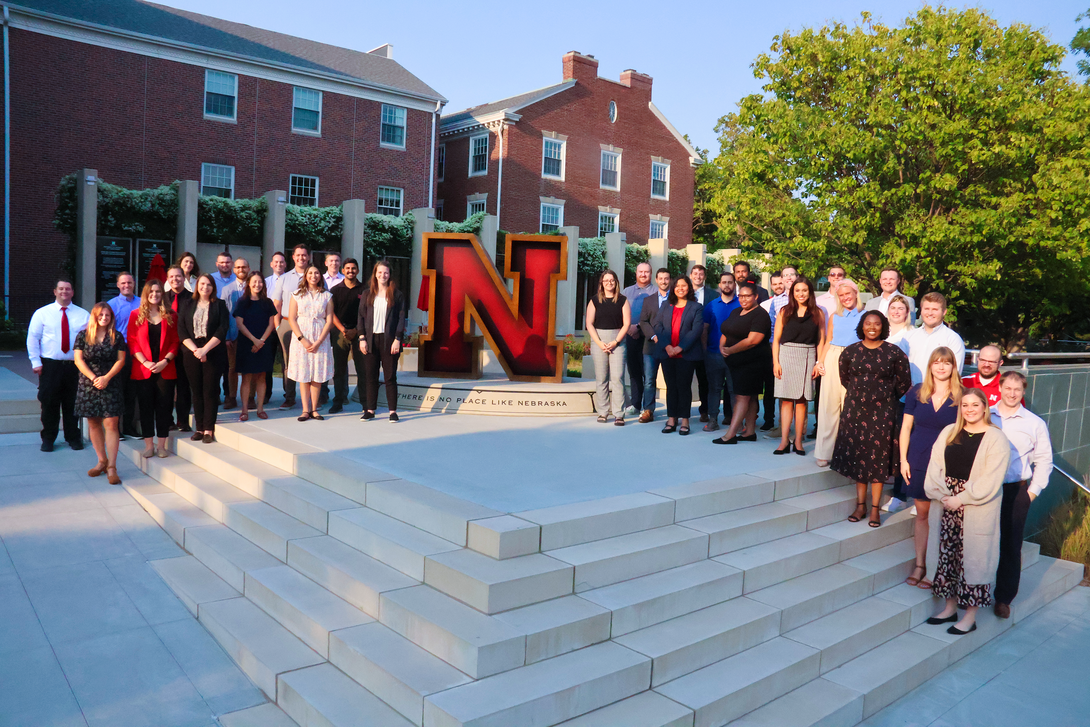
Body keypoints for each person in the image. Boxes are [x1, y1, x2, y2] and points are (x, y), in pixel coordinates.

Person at [924, 388, 1010, 635]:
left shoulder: (996, 438)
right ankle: (949, 608)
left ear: (984, 407)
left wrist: (961, 498)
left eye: (975, 405)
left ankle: (969, 617)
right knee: (946, 557)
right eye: (965, 405)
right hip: (945, 503)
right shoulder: (948, 432)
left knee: (973, 561)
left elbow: (991, 480)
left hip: (974, 507)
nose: (969, 410)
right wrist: (942, 496)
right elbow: (935, 467)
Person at [831, 311, 912, 528]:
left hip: (883, 412)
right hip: (855, 411)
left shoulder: (894, 352)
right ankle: (860, 505)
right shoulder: (851, 351)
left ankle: (875, 508)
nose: (872, 327)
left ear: (883, 326)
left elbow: (904, 381)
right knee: (859, 458)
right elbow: (844, 377)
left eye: (877, 324)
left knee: (876, 460)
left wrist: (884, 396)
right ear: (862, 326)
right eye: (868, 323)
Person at [990, 371, 1053, 619]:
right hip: (986, 489)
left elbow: (1045, 461)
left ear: (1023, 392)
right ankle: (976, 591)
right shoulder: (987, 415)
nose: (1012, 393)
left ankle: (1004, 598)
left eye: (1017, 389)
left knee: (1010, 545)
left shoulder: (1035, 423)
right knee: (981, 542)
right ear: (1001, 387)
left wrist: (1032, 493)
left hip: (1016, 490)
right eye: (1008, 388)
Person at [900, 348, 962, 588]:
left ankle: (937, 569)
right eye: (937, 362)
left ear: (953, 366)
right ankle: (920, 564)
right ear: (931, 366)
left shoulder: (961, 395)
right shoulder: (917, 392)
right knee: (923, 515)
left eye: (946, 363)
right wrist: (904, 460)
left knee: (942, 518)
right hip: (918, 457)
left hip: (947, 463)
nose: (941, 367)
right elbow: (906, 428)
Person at [27, 279, 89, 451]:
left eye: (68, 289)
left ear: (73, 292)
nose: (64, 291)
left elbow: (90, 340)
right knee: (49, 403)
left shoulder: (83, 315)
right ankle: (48, 438)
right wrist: (35, 361)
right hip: (50, 366)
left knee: (73, 404)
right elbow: (33, 338)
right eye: (61, 289)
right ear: (55, 291)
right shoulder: (42, 313)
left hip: (74, 366)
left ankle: (73, 437)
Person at [73, 303, 126, 484]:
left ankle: (112, 466)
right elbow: (78, 360)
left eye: (108, 315)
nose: (104, 318)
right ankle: (101, 461)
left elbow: (120, 360)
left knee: (111, 423)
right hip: (89, 384)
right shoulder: (83, 336)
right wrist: (95, 378)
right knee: (94, 422)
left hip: (110, 383)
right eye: (101, 315)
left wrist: (106, 378)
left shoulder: (116, 336)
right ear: (95, 316)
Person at [772, 277, 825, 455]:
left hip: (808, 356)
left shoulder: (818, 313)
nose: (800, 294)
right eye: (797, 290)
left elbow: (822, 341)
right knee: (786, 400)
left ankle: (799, 442)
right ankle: (784, 441)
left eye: (804, 290)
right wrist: (776, 362)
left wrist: (819, 363)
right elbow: (776, 340)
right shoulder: (784, 311)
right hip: (786, 356)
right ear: (792, 293)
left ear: (810, 292)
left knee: (802, 401)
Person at [127, 279, 179, 460]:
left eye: (158, 292)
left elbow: (175, 342)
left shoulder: (171, 315)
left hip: (165, 369)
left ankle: (162, 446)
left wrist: (165, 361)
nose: (155, 295)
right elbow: (132, 342)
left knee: (164, 408)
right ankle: (149, 445)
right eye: (151, 292)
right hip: (144, 369)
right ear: (146, 295)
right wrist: (145, 362)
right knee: (146, 408)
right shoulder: (135, 315)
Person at [814, 279, 864, 466]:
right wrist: (820, 361)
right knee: (828, 405)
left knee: (851, 408)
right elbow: (828, 340)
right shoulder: (835, 316)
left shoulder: (866, 315)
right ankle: (824, 452)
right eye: (841, 295)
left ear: (855, 293)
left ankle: (850, 452)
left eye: (847, 294)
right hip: (834, 356)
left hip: (855, 359)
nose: (845, 298)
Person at [714, 283, 771, 444]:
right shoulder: (736, 311)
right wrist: (722, 347)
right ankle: (750, 432)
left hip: (752, 363)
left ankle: (731, 434)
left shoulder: (760, 315)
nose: (743, 299)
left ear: (756, 297)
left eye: (747, 296)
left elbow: (753, 340)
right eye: (741, 296)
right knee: (751, 397)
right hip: (735, 363)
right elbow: (726, 330)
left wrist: (730, 350)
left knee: (742, 397)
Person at [178, 273, 230, 443]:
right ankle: (199, 428)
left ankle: (209, 429)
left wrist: (205, 350)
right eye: (202, 284)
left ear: (213, 287)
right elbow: (182, 330)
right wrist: (196, 350)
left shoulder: (220, 305)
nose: (205, 287)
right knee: (197, 391)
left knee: (210, 391)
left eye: (208, 284)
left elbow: (222, 330)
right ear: (197, 286)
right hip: (191, 352)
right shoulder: (187, 304)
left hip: (213, 351)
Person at [652, 275, 703, 435]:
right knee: (671, 387)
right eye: (677, 286)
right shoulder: (666, 305)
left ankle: (685, 420)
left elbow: (696, 330)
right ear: (673, 288)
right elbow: (658, 326)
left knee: (684, 387)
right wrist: (667, 346)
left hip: (686, 355)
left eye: (684, 285)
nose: (680, 288)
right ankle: (672, 418)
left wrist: (680, 347)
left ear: (689, 288)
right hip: (667, 354)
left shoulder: (696, 307)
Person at [357, 260, 406, 421]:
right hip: (370, 340)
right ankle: (370, 410)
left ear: (389, 274)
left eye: (385, 272)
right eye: (379, 272)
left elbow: (400, 318)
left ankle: (392, 411)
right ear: (375, 274)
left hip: (389, 341)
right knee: (370, 376)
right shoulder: (367, 294)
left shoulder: (397, 295)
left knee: (390, 377)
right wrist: (362, 338)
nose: (382, 275)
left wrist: (398, 338)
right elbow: (361, 318)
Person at [883, 292, 918, 513]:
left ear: (908, 313)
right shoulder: (880, 332)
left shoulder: (913, 336)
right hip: (881, 396)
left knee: (900, 443)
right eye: (893, 308)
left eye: (901, 309)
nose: (896, 312)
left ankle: (900, 493)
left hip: (903, 396)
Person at [288, 266, 334, 421]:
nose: (313, 275)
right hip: (302, 338)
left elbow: (329, 320)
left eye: (316, 273)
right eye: (310, 273)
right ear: (305, 276)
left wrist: (320, 340)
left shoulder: (327, 296)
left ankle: (314, 409)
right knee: (304, 373)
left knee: (317, 373)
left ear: (320, 276)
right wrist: (302, 339)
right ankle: (305, 410)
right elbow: (292, 318)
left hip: (320, 338)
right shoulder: (296, 295)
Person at [587, 269, 631, 425]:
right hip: (599, 340)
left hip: (617, 341)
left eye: (611, 280)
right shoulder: (594, 300)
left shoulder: (623, 300)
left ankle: (619, 413)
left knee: (618, 377)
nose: (609, 283)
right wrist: (600, 343)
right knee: (601, 378)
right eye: (606, 280)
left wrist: (616, 342)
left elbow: (626, 324)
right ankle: (603, 412)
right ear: (601, 283)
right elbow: (589, 324)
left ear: (616, 282)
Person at [232, 272, 277, 422]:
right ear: (249, 283)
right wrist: (254, 340)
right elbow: (239, 324)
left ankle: (260, 409)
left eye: (260, 282)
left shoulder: (268, 302)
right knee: (246, 377)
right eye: (254, 282)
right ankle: (244, 410)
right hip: (247, 343)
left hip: (264, 343)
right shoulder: (242, 302)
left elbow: (271, 324)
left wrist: (261, 341)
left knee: (262, 377)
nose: (257, 285)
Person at [273, 244, 311, 409]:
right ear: (293, 257)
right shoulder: (284, 278)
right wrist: (277, 326)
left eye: (304, 255)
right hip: (287, 323)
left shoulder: (314, 276)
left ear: (308, 257)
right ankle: (289, 396)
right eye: (298, 255)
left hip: (308, 323)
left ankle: (313, 397)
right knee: (288, 362)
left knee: (310, 359)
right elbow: (277, 304)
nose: (301, 258)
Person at [702, 271, 740, 432]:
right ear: (719, 285)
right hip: (714, 354)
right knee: (714, 388)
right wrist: (705, 351)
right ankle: (712, 420)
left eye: (730, 282)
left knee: (734, 390)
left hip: (735, 354)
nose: (727, 285)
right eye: (724, 282)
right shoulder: (711, 305)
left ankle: (736, 422)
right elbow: (705, 329)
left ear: (734, 284)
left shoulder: (741, 304)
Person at [329, 259, 367, 414]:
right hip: (340, 333)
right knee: (339, 369)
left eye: (354, 268)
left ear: (357, 271)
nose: (350, 271)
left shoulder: (365, 289)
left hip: (360, 333)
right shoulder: (335, 290)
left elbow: (367, 313)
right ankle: (338, 401)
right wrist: (344, 330)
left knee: (362, 369)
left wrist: (357, 330)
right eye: (348, 268)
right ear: (343, 270)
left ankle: (366, 404)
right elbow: (331, 313)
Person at [904, 292, 965, 385]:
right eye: (926, 309)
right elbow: (900, 368)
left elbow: (955, 373)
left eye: (935, 309)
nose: (930, 313)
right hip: (909, 395)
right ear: (921, 310)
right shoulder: (908, 337)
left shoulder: (953, 339)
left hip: (937, 396)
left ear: (944, 312)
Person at [108, 272, 140, 438]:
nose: (126, 285)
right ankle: (117, 429)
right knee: (118, 390)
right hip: (119, 350)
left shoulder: (142, 302)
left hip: (138, 351)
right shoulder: (111, 305)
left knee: (131, 391)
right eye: (123, 283)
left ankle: (129, 427)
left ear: (134, 284)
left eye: (129, 282)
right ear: (118, 285)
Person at [637, 268, 672, 423]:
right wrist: (653, 336)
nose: (663, 281)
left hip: (670, 347)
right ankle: (648, 410)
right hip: (651, 346)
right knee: (649, 380)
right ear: (656, 280)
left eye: (666, 278)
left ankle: (673, 411)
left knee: (671, 380)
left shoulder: (676, 300)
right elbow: (643, 321)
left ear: (669, 280)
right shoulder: (648, 300)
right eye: (661, 279)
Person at [622, 262, 654, 417]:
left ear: (651, 273)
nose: (643, 274)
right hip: (630, 337)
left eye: (646, 272)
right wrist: (629, 328)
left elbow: (657, 316)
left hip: (648, 338)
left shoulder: (656, 292)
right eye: (640, 271)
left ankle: (648, 407)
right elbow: (620, 314)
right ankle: (635, 404)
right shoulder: (626, 292)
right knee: (634, 372)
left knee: (648, 374)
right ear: (636, 273)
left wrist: (639, 328)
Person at [219, 257, 251, 410]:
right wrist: (225, 336)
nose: (241, 270)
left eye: (243, 267)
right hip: (233, 334)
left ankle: (250, 397)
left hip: (251, 334)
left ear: (248, 268)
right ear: (234, 269)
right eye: (238, 267)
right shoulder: (227, 289)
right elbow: (224, 314)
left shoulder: (254, 287)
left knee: (249, 366)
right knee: (232, 368)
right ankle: (231, 397)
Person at [164, 266, 193, 432]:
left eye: (178, 276)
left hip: (185, 348)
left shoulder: (192, 298)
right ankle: (168, 420)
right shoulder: (162, 299)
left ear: (184, 278)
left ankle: (183, 420)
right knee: (166, 387)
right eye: (172, 277)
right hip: (166, 349)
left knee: (183, 386)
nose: (175, 279)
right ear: (167, 279)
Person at [689, 264, 714, 423]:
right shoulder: (682, 292)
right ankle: (682, 411)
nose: (698, 276)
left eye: (701, 274)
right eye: (695, 274)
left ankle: (705, 410)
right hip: (686, 344)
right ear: (690, 275)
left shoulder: (712, 295)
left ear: (704, 277)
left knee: (704, 379)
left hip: (705, 343)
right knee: (684, 379)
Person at [262, 250, 287, 406]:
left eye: (281, 262)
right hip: (269, 326)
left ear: (285, 264)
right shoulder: (265, 282)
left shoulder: (290, 280)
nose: (279, 264)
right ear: (271, 264)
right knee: (268, 361)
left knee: (287, 361)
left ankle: (288, 394)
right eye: (276, 262)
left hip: (285, 324)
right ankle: (266, 394)